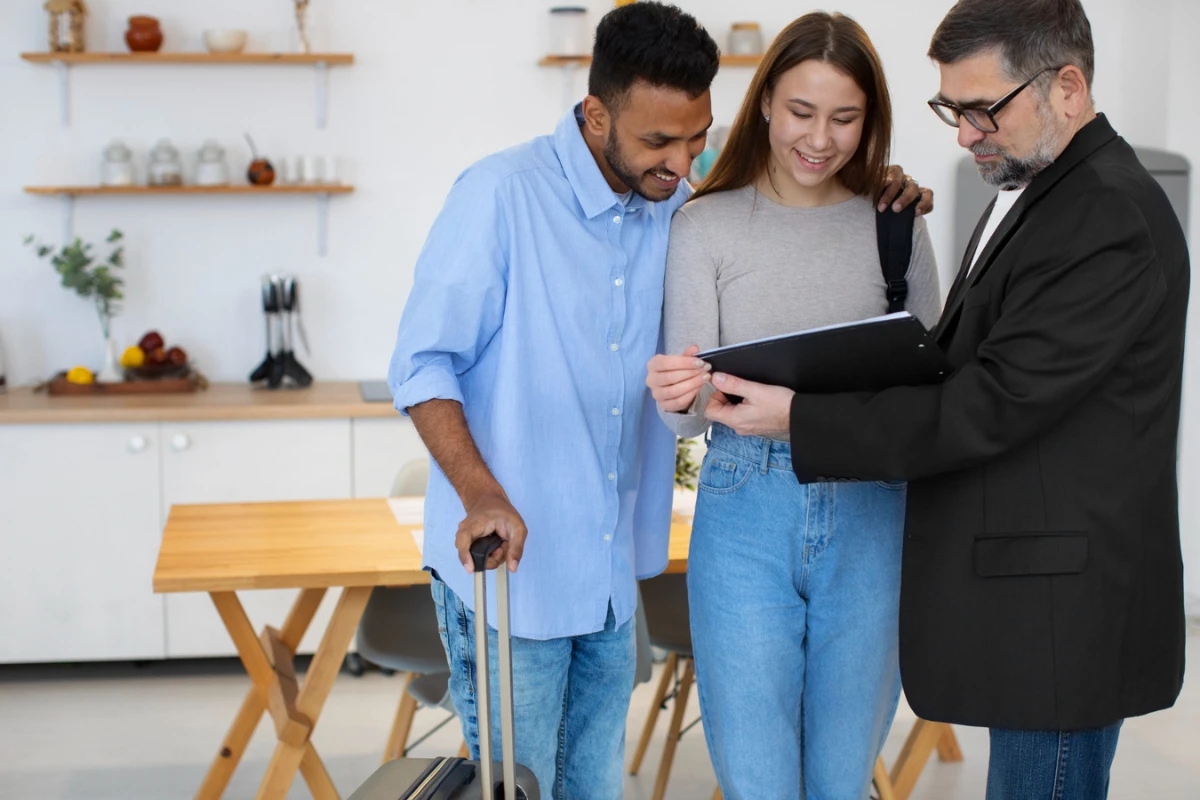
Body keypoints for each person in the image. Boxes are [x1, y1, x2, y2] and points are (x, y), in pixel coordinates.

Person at [387, 2, 928, 795]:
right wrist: (480, 493)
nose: (682, 160)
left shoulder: (676, 204)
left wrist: (876, 182)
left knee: (596, 788)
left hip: (610, 581)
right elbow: (422, 363)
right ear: (596, 112)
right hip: (513, 571)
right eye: (659, 141)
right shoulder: (500, 196)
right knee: (517, 787)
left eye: (697, 136)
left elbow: (779, 210)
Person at [697, 1, 1190, 798]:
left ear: (1067, 87)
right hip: (1037, 609)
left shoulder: (1106, 215)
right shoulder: (1049, 194)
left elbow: (986, 403)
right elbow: (958, 365)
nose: (964, 134)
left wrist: (799, 416)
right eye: (952, 110)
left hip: (1062, 621)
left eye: (981, 109)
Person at [645, 13, 940, 799]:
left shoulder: (896, 225)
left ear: (870, 120)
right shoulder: (704, 225)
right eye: (802, 112)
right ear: (766, 102)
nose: (821, 139)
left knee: (842, 782)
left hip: (872, 509)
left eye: (846, 118)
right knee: (759, 783)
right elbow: (685, 416)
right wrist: (678, 393)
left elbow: (931, 395)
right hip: (745, 508)